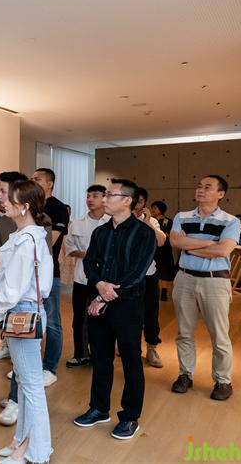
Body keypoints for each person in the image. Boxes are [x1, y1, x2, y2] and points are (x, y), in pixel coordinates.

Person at [74, 178, 156, 440]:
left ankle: (130, 417)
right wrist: (99, 285)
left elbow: (137, 273)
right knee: (100, 358)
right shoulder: (101, 232)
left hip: (127, 305)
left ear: (127, 200)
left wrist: (105, 295)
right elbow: (90, 264)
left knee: (131, 360)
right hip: (99, 301)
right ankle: (99, 408)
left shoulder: (144, 233)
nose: (105, 198)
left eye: (110, 195)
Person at [0, 180, 54, 464]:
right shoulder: (27, 235)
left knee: (31, 386)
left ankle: (35, 451)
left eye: (9, 198)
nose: (2, 200)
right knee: (26, 382)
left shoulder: (28, 239)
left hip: (20, 311)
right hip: (24, 309)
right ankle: (21, 441)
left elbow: (13, 286)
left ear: (24, 206)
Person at [169, 175, 240, 401]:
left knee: (219, 335)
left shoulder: (231, 221)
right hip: (184, 278)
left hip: (215, 281)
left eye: (208, 187)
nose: (201, 190)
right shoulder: (181, 216)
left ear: (221, 194)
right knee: (184, 332)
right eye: (199, 186)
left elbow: (222, 251)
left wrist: (190, 247)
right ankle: (185, 375)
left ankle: (223, 381)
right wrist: (210, 243)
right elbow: (175, 242)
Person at [31, 168, 69, 387]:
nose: (33, 181)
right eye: (31, 179)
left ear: (50, 184)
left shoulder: (57, 208)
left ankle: (50, 368)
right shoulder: (30, 206)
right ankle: (28, 366)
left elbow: (48, 243)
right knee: (29, 319)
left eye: (37, 179)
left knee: (52, 322)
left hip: (47, 273)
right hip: (26, 274)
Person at [64, 184, 109, 368]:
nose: (90, 199)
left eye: (95, 196)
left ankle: (101, 356)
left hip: (106, 280)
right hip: (82, 278)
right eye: (88, 196)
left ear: (104, 198)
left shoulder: (111, 222)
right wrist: (90, 255)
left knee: (103, 319)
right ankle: (81, 354)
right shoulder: (77, 223)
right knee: (80, 320)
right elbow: (70, 249)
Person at [133, 187, 168, 368]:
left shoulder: (151, 221)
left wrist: (146, 221)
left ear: (144, 203)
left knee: (151, 313)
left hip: (148, 274)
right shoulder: (118, 219)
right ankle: (130, 347)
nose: (136, 204)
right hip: (126, 276)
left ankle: (152, 348)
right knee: (129, 313)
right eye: (133, 200)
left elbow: (161, 241)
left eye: (139, 201)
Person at [150, 200, 177, 301]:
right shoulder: (150, 220)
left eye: (155, 208)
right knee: (154, 270)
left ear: (161, 209)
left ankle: (164, 292)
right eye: (152, 208)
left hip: (164, 249)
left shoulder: (167, 221)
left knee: (164, 270)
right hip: (153, 249)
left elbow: (168, 233)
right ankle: (155, 291)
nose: (153, 210)